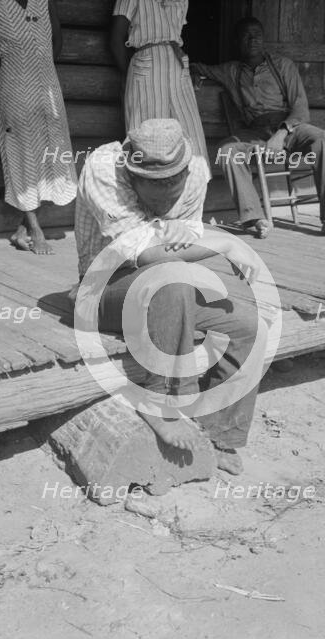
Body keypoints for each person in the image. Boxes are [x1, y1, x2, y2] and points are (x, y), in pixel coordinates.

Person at [73, 118, 269, 475]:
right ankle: (157, 402)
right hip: (103, 286)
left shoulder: (196, 170)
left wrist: (187, 241)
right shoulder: (103, 168)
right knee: (170, 277)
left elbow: (187, 239)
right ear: (132, 173)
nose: (167, 192)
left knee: (246, 325)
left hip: (165, 284)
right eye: (154, 184)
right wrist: (225, 243)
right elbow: (151, 254)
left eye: (173, 181)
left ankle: (221, 433)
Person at [192, 17, 325, 241]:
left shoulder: (283, 65)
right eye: (246, 35)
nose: (253, 39)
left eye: (257, 34)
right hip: (255, 133)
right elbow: (197, 66)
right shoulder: (231, 71)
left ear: (263, 39)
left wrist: (281, 134)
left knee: (323, 139)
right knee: (227, 151)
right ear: (237, 41)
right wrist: (195, 72)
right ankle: (255, 219)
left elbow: (301, 109)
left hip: (291, 129)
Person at [0, 0, 77, 254]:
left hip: (47, 86)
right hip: (14, 88)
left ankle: (21, 229)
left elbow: (56, 40)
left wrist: (42, 67)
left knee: (52, 153)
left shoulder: (44, 2)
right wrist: (3, 71)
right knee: (22, 152)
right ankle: (35, 229)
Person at [110, 0, 210, 175]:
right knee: (147, 131)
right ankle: (148, 188)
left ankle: (193, 187)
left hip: (177, 63)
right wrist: (130, 74)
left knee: (189, 132)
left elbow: (175, 35)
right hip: (147, 62)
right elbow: (115, 39)